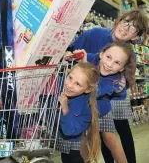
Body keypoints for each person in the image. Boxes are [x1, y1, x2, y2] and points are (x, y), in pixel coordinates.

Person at [68, 10, 148, 163]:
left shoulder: (130, 54)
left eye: (133, 27)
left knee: (115, 132)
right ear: (119, 20)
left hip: (112, 93)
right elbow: (73, 51)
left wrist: (116, 88)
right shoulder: (95, 33)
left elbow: (124, 88)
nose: (126, 28)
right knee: (95, 134)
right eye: (126, 21)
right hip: (87, 91)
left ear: (136, 36)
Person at [72, 41, 136, 163]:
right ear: (101, 54)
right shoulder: (94, 58)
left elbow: (95, 91)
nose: (109, 64)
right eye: (108, 57)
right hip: (82, 107)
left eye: (117, 63)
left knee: (109, 138)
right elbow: (78, 56)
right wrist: (74, 56)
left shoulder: (114, 80)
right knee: (80, 138)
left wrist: (84, 66)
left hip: (101, 109)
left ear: (122, 68)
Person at [57, 62, 101, 163]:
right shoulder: (70, 92)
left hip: (74, 150)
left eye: (78, 84)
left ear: (88, 89)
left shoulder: (85, 109)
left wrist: (65, 107)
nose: (70, 85)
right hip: (66, 147)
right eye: (70, 78)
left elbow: (68, 130)